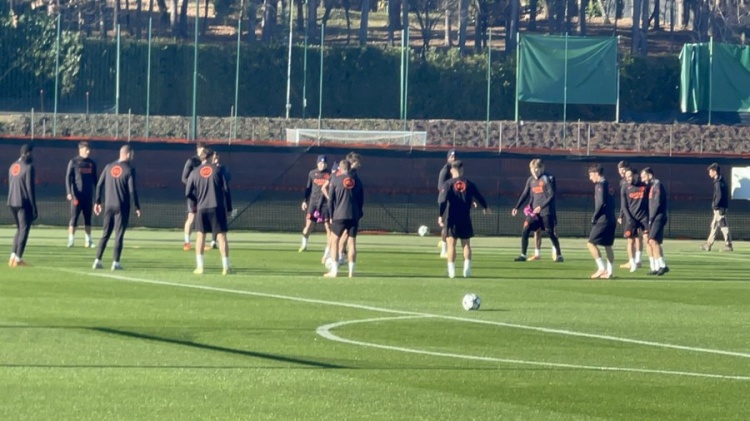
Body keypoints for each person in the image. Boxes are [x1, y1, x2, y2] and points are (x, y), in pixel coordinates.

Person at [92, 145, 141, 270]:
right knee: (119, 235)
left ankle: (97, 260)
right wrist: (136, 205)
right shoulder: (129, 169)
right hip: (122, 206)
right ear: (128, 154)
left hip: (109, 205)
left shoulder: (108, 167)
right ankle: (116, 262)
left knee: (105, 233)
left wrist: (97, 202)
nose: (133, 157)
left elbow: (99, 185)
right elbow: (132, 190)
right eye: (132, 155)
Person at [438, 160, 489, 278]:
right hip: (465, 217)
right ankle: (467, 269)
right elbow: (479, 196)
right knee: (466, 244)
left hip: (452, 218)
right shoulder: (469, 184)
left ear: (452, 170)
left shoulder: (448, 184)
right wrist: (485, 207)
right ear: (462, 170)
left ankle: (452, 271)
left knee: (451, 244)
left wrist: (441, 215)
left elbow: (442, 201)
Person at [186, 148, 233, 275]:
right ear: (211, 157)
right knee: (221, 236)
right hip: (217, 207)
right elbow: (226, 190)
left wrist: (197, 202)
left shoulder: (194, 172)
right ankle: (226, 267)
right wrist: (229, 207)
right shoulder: (219, 170)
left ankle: (200, 267)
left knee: (200, 236)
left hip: (202, 208)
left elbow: (188, 192)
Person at [511, 158, 563, 262]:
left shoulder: (547, 178)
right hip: (534, 213)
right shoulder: (530, 180)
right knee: (525, 229)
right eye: (532, 169)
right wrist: (516, 207)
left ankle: (559, 255)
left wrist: (541, 206)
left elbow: (551, 195)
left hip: (546, 211)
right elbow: (525, 194)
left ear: (542, 168)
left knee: (550, 233)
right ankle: (523, 255)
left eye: (536, 169)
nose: (534, 171)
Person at [324, 159, 364, 278]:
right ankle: (351, 272)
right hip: (353, 215)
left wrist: (331, 215)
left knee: (334, 242)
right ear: (350, 168)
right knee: (352, 243)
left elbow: (331, 199)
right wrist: (358, 213)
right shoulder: (357, 180)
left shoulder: (335, 179)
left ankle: (334, 271)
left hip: (339, 215)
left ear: (340, 169)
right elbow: (361, 199)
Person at [7, 144, 37, 267]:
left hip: (11, 201)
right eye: (31, 153)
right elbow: (30, 189)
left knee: (20, 228)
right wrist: (34, 206)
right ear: (27, 153)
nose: (32, 155)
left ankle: (12, 257)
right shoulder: (28, 167)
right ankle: (18, 259)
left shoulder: (12, 166)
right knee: (24, 229)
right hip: (23, 202)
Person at [65, 141, 98, 248]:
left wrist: (97, 196)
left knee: (88, 218)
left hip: (88, 196)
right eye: (86, 149)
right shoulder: (73, 162)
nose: (88, 152)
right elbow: (68, 178)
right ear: (81, 149)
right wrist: (69, 192)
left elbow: (95, 181)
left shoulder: (92, 164)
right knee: (74, 218)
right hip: (76, 196)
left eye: (89, 149)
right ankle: (71, 240)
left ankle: (88, 240)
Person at [586, 164, 616, 279]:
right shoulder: (609, 185)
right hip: (611, 218)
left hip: (603, 220)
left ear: (596, 173)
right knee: (608, 246)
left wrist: (595, 216)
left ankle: (601, 268)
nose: (590, 178)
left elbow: (600, 203)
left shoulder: (600, 185)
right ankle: (610, 272)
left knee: (590, 243)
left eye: (591, 175)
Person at [617, 167, 649, 272]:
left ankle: (642, 261)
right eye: (626, 177)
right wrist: (627, 217)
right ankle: (632, 263)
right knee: (630, 240)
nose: (628, 178)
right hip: (632, 218)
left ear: (635, 175)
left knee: (646, 239)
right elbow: (623, 205)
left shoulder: (644, 186)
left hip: (643, 217)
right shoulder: (625, 187)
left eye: (630, 176)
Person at [640, 167, 669, 276]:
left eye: (644, 177)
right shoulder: (652, 186)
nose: (643, 180)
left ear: (650, 175)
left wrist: (651, 219)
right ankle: (658, 267)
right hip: (655, 217)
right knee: (654, 242)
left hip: (658, 217)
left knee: (652, 241)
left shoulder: (657, 185)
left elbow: (656, 204)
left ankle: (663, 266)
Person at [299, 155, 331, 253]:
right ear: (317, 163)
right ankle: (304, 244)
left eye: (324, 163)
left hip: (325, 204)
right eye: (320, 163)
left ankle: (329, 248)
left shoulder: (330, 174)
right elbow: (308, 188)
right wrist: (305, 201)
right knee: (308, 227)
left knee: (328, 227)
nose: (322, 165)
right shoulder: (312, 173)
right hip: (313, 203)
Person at [701, 163, 733, 252]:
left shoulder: (718, 183)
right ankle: (708, 244)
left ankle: (728, 245)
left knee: (723, 226)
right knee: (714, 225)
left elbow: (719, 196)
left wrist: (715, 205)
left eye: (710, 171)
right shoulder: (721, 181)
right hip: (721, 207)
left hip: (719, 209)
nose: (709, 173)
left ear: (715, 172)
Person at [181, 142, 206, 251]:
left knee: (202, 218)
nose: (203, 152)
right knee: (191, 217)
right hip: (193, 194)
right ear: (198, 149)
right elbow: (184, 178)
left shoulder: (206, 162)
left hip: (204, 194)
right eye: (202, 150)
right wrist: (193, 185)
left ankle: (201, 243)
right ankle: (186, 242)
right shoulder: (191, 161)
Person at [437, 149, 458, 258]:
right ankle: (444, 250)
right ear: (448, 157)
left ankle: (447, 247)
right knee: (446, 225)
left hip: (453, 202)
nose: (453, 158)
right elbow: (441, 188)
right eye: (452, 157)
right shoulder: (445, 170)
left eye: (455, 157)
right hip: (446, 201)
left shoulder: (455, 170)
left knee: (450, 226)